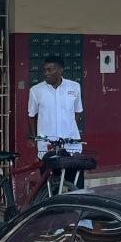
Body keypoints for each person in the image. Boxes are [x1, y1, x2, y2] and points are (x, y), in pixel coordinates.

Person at [27, 56, 84, 184]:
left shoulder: (74, 87)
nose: (46, 73)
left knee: (75, 185)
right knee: (49, 187)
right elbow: (31, 116)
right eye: (45, 70)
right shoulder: (36, 91)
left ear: (60, 70)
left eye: (50, 70)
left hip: (71, 146)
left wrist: (71, 131)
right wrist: (37, 141)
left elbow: (77, 113)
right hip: (47, 147)